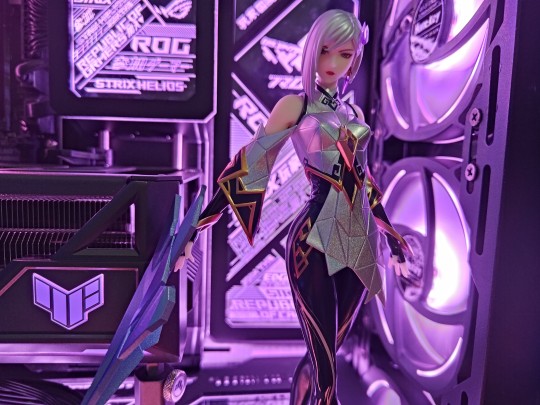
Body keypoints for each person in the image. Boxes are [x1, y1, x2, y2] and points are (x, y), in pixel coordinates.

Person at [179, 9, 411, 405]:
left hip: (357, 243)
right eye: (325, 51)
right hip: (312, 241)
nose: (333, 63)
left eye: (344, 54)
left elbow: (365, 185)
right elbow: (249, 168)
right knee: (326, 373)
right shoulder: (295, 106)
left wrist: (391, 240)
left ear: (355, 58)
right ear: (311, 52)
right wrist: (194, 230)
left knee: (324, 357)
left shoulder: (353, 114)